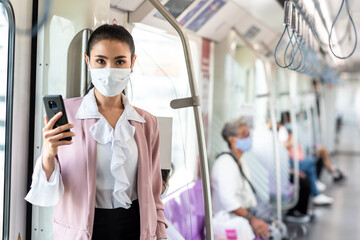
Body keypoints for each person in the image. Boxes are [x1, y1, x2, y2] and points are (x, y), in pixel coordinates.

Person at [25, 24, 167, 240]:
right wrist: (48, 153)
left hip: (135, 227)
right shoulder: (68, 114)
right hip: (83, 230)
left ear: (133, 63)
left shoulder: (147, 123)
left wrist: (160, 234)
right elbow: (46, 194)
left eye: (120, 61)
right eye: (101, 61)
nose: (109, 69)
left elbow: (154, 193)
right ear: (87, 61)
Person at [211, 117, 271, 240]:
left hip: (240, 216)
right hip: (227, 220)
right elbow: (228, 201)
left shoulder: (240, 161)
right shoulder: (225, 163)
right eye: (245, 134)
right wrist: (252, 219)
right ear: (232, 139)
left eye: (249, 133)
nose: (249, 137)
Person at [278, 122, 334, 206]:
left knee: (316, 157)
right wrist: (291, 142)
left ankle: (316, 185)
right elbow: (282, 146)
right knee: (311, 161)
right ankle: (316, 187)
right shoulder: (283, 134)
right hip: (291, 162)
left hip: (294, 160)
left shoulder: (289, 132)